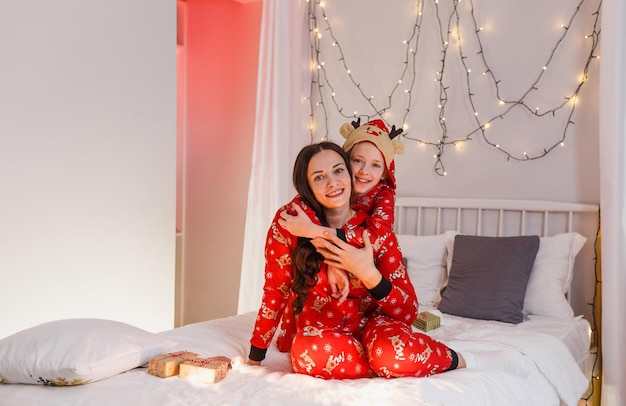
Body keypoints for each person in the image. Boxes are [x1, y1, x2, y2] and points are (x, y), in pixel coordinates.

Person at [247, 142, 465, 379]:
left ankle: (445, 358)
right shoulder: (291, 225)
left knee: (390, 352)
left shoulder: (373, 232)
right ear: (306, 186)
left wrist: (367, 273)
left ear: (349, 175)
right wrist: (254, 357)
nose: (332, 182)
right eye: (319, 177)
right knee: (307, 353)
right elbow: (274, 292)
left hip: (377, 326)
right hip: (324, 332)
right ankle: (386, 364)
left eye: (338, 170)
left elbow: (408, 311)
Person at [275, 119, 404, 349]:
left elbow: (372, 239)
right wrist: (330, 257)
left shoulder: (383, 198)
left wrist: (316, 232)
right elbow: (302, 206)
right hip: (322, 327)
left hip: (370, 309)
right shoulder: (327, 192)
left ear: (385, 172)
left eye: (376, 165)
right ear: (345, 161)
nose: (364, 172)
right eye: (357, 161)